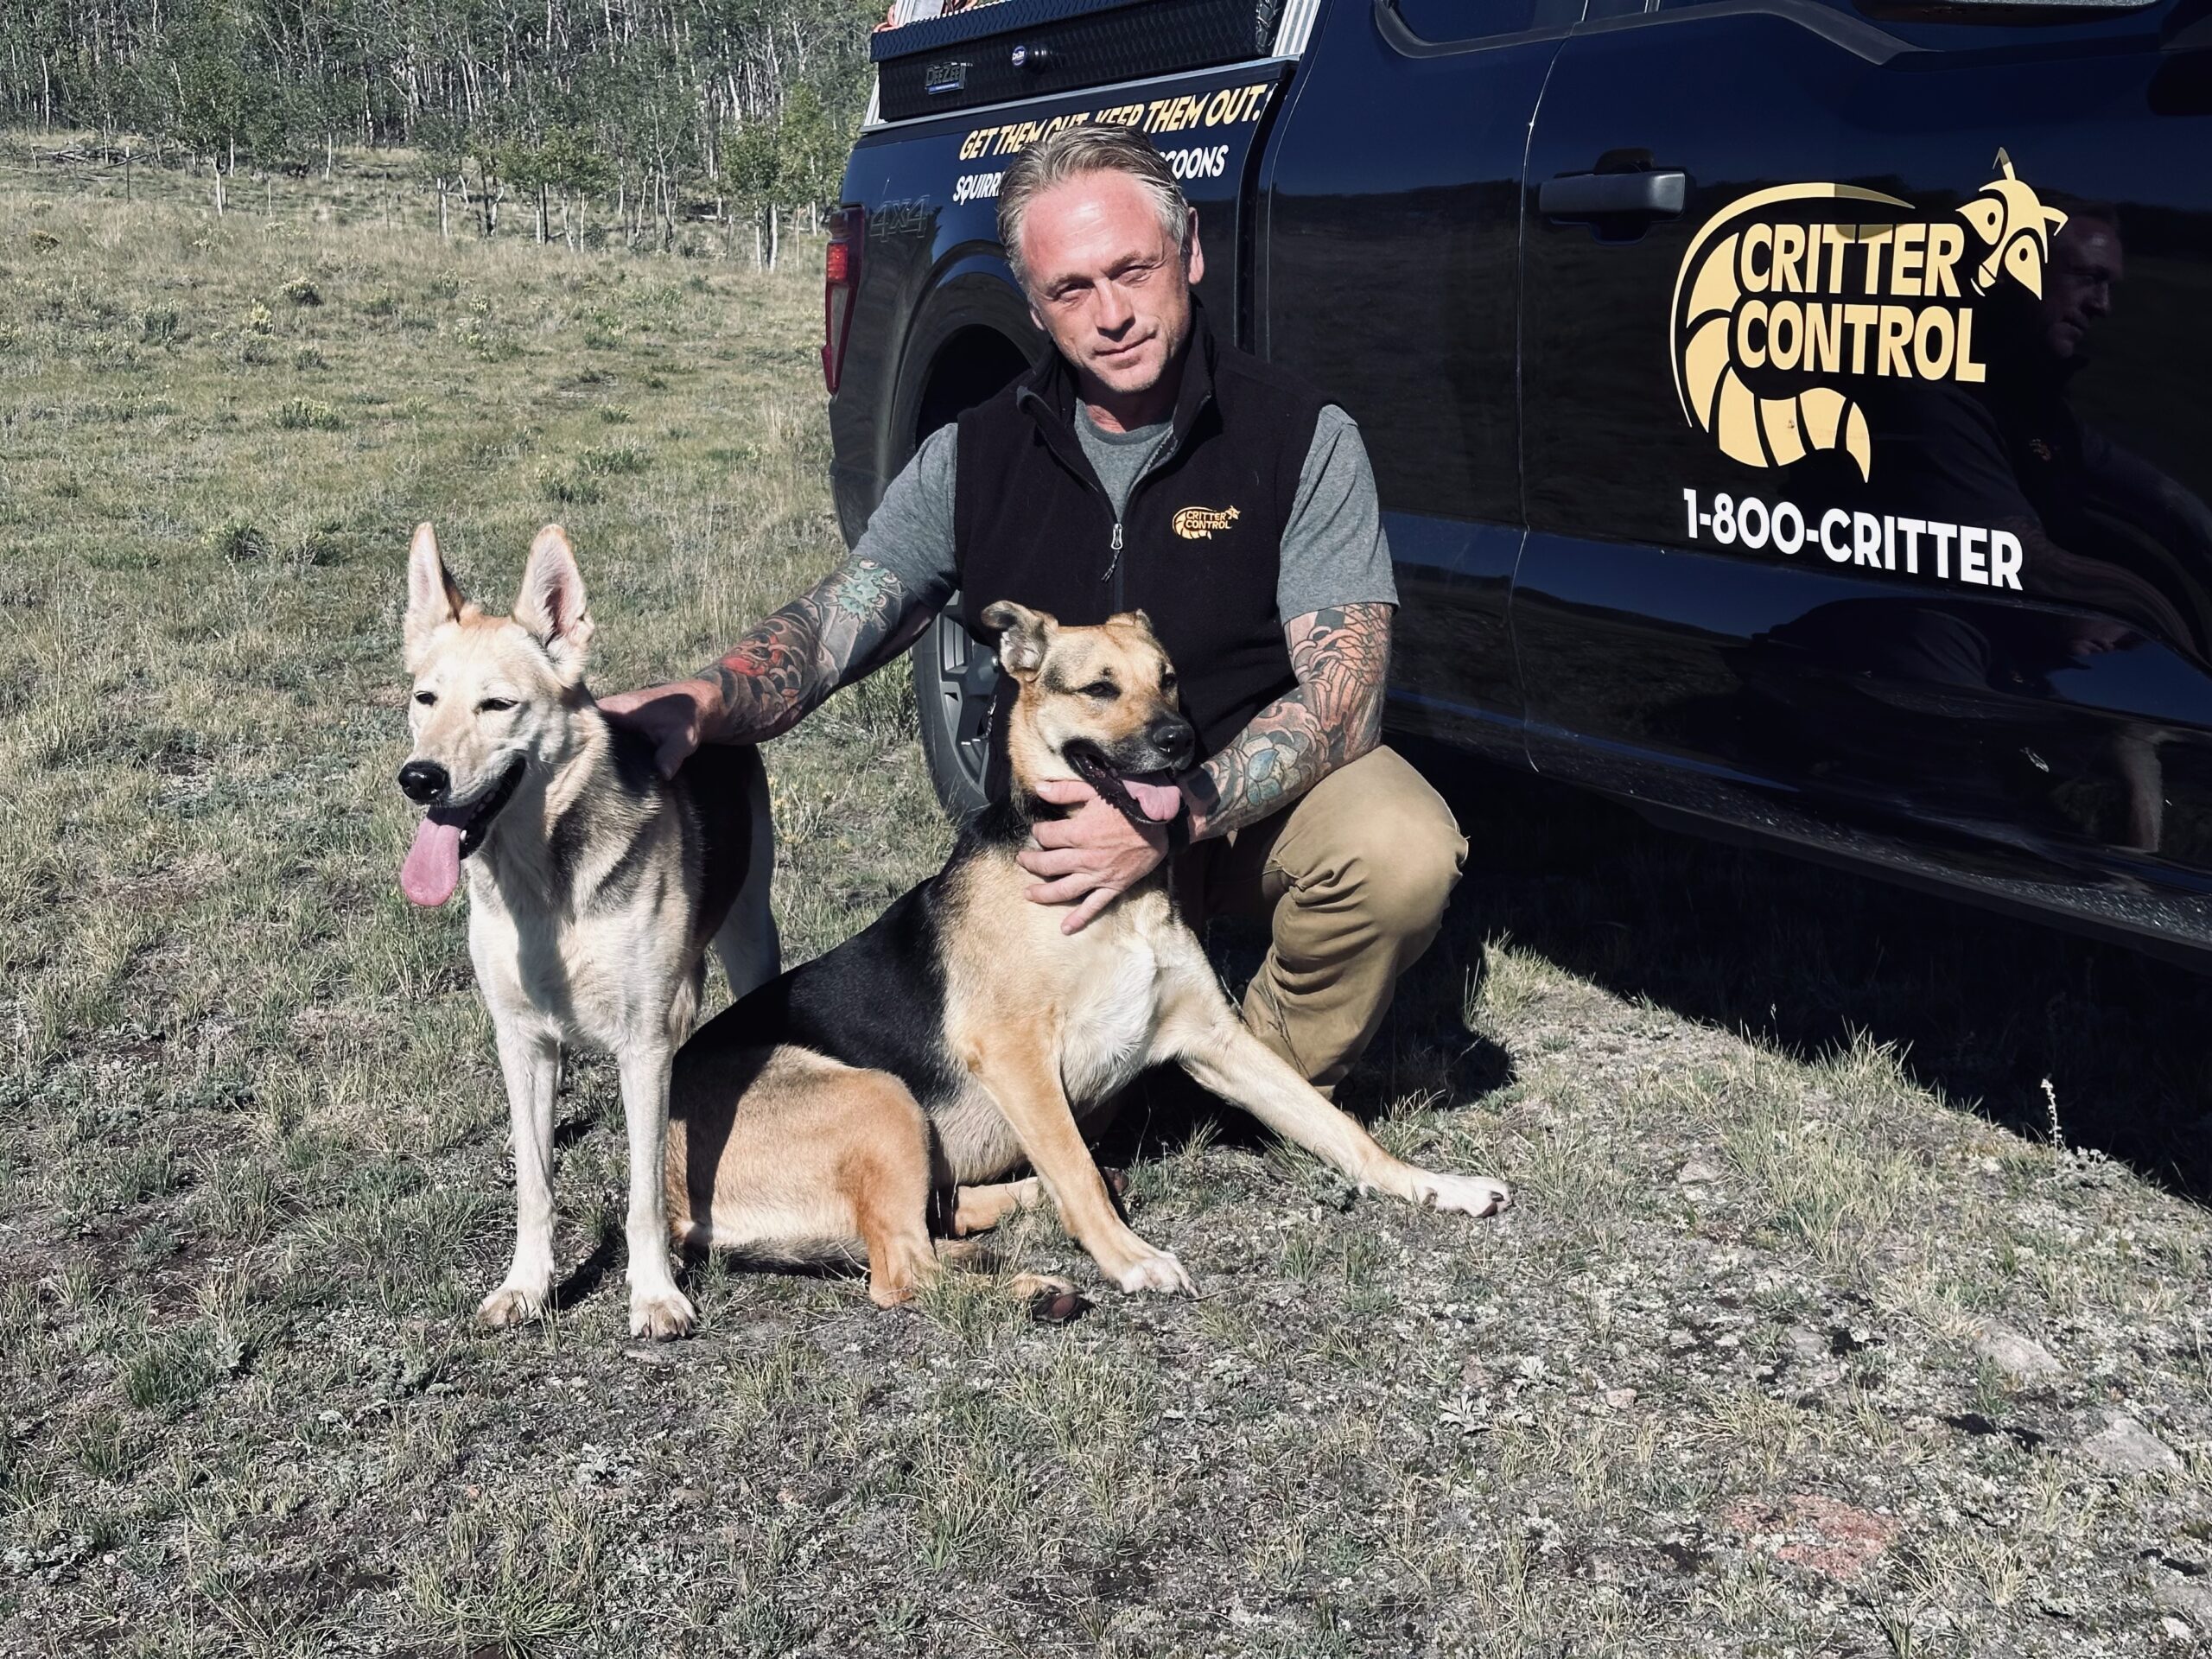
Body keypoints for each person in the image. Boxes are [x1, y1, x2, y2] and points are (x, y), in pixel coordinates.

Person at [602, 124, 1465, 1094]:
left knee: (1398, 846)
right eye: (1071, 290)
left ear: (1189, 252)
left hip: (1237, 801)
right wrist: (705, 699)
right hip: (1056, 835)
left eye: (1132, 270)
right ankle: (1078, 1098)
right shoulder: (975, 455)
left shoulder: (1299, 436)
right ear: (1035, 306)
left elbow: (1346, 695)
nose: (1112, 314)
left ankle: (1233, 1087)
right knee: (995, 1083)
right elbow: (845, 618)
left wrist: (1181, 813)